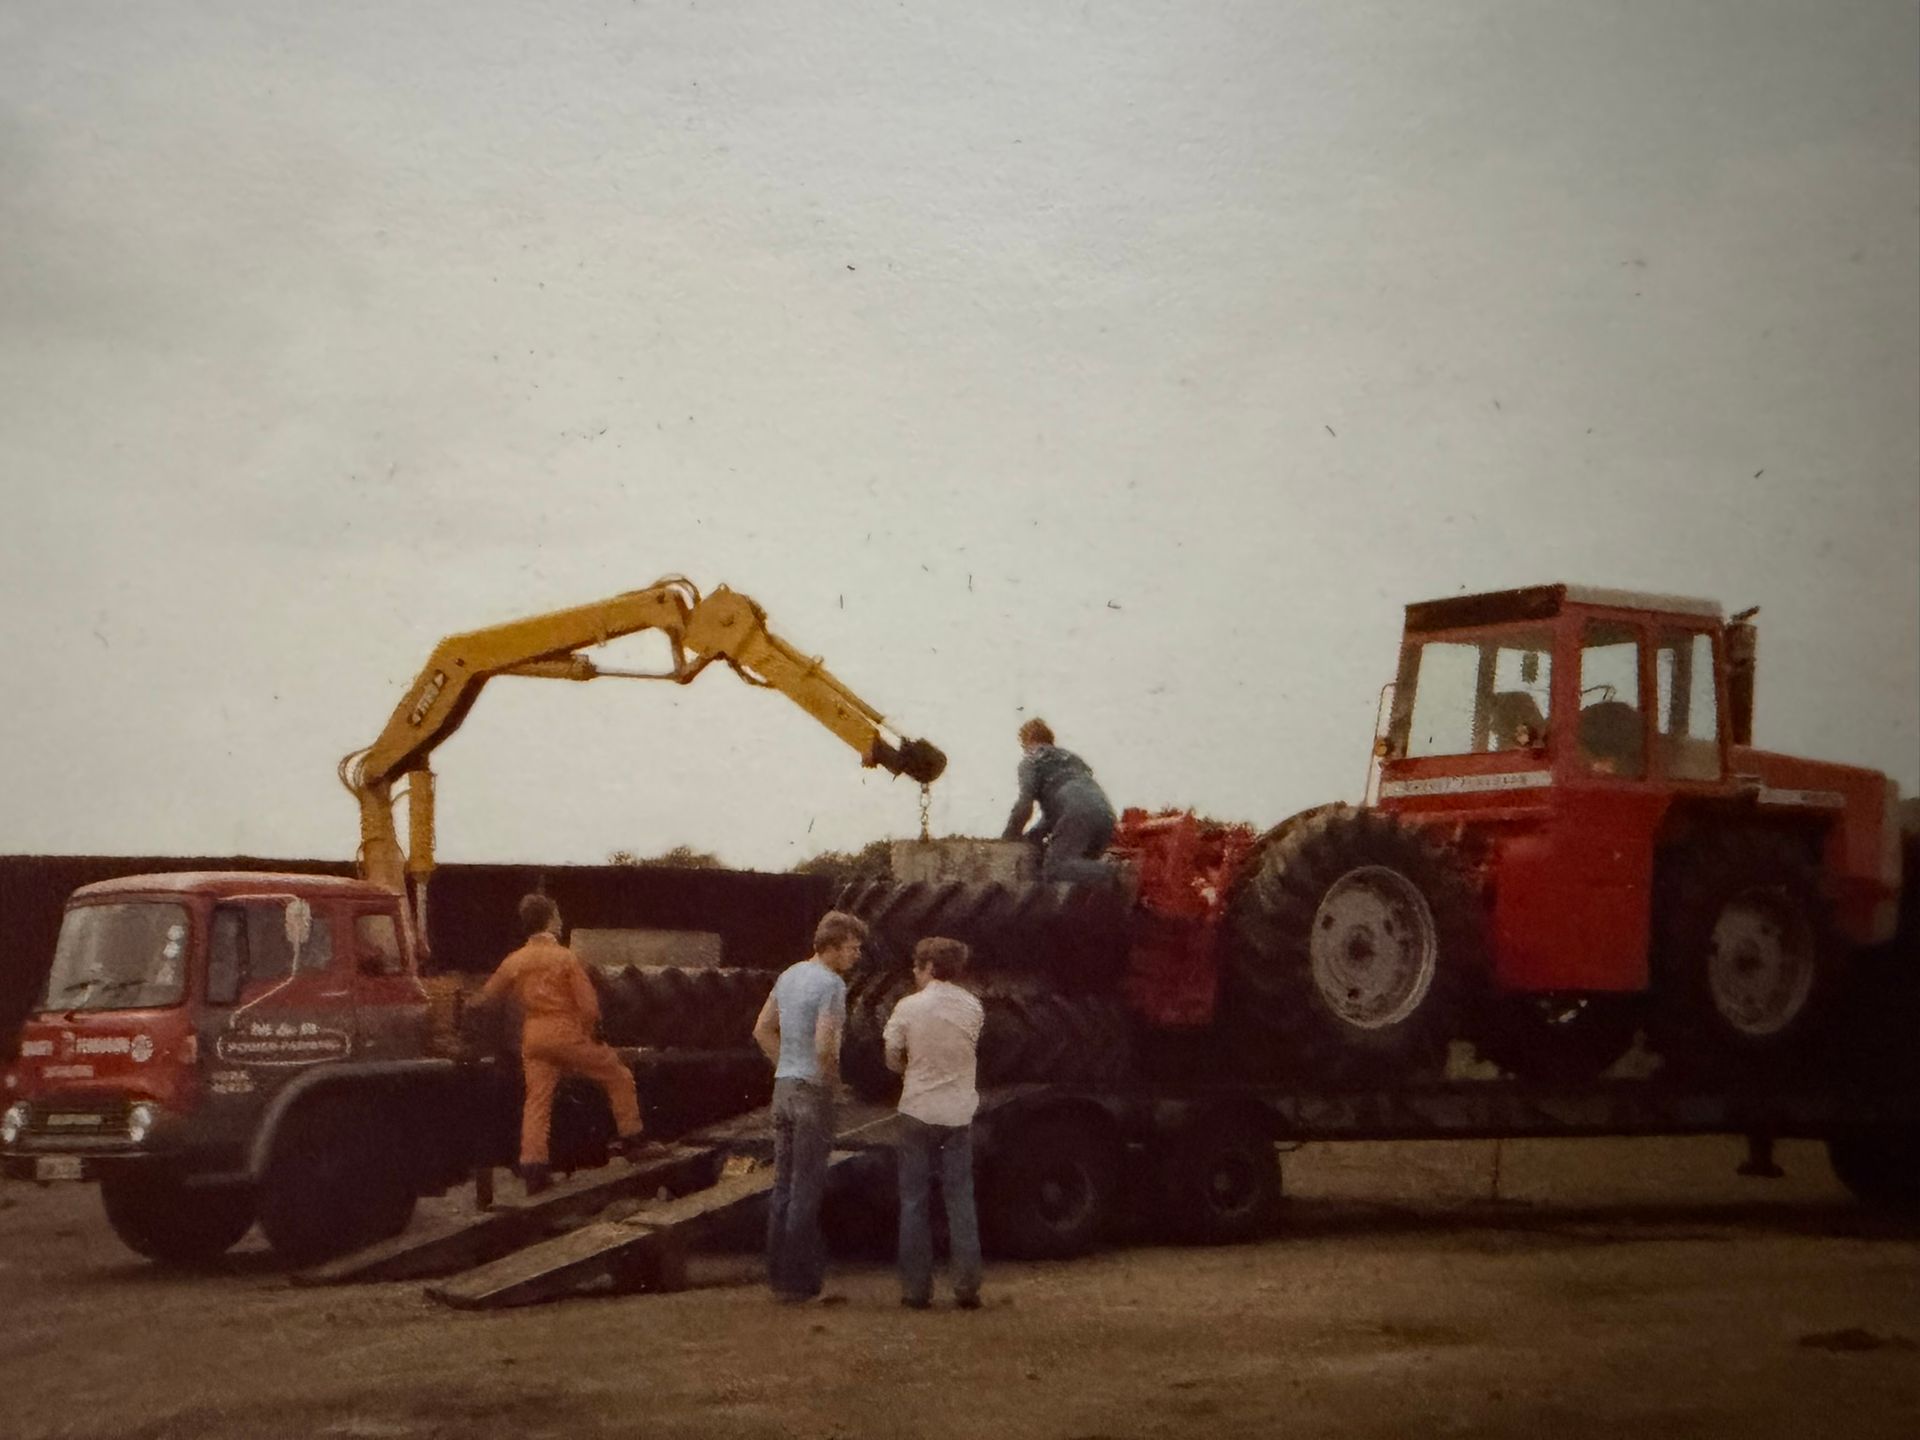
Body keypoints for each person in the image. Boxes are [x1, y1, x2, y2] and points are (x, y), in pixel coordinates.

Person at [477, 894, 644, 1196]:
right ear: (551, 921)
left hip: (534, 1037)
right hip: (566, 1032)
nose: (561, 921)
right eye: (558, 915)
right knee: (618, 1076)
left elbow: (487, 998)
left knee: (537, 1101)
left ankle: (534, 1169)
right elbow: (589, 1007)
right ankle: (632, 1141)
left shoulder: (515, 960)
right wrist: (588, 1034)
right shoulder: (566, 958)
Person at [751, 910, 866, 1303]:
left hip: (783, 1086)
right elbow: (826, 1047)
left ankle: (778, 1275)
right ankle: (799, 1281)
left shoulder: (789, 975)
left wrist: (786, 1063)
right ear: (832, 947)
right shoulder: (832, 985)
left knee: (782, 1183)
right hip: (812, 1092)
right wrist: (833, 1087)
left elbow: (761, 1029)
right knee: (807, 1186)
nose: (857, 955)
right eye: (852, 948)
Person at [884, 936, 986, 1311]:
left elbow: (892, 1055)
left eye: (916, 965)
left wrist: (907, 1068)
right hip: (958, 1112)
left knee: (914, 1201)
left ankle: (915, 1290)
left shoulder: (908, 1006)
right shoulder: (973, 1006)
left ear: (928, 967)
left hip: (917, 1109)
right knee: (960, 1199)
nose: (913, 971)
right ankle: (967, 1286)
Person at [1002, 717, 1119, 884]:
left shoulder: (1032, 760)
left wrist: (1008, 840)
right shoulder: (1072, 759)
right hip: (1105, 815)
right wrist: (1032, 837)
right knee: (1079, 872)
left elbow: (1024, 805)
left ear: (1027, 741)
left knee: (1056, 868)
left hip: (1077, 814)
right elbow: (1053, 815)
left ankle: (1115, 873)